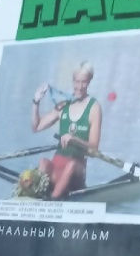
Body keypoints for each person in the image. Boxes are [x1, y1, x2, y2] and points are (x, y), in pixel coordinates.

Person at [29, 63, 102, 204]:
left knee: (71, 165)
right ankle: (37, 198)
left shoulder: (94, 108)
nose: (79, 86)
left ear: (89, 82)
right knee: (43, 162)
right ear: (73, 81)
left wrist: (74, 139)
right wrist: (36, 102)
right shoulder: (63, 105)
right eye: (77, 82)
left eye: (84, 82)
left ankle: (53, 200)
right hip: (57, 164)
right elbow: (36, 127)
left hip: (77, 168)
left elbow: (94, 150)